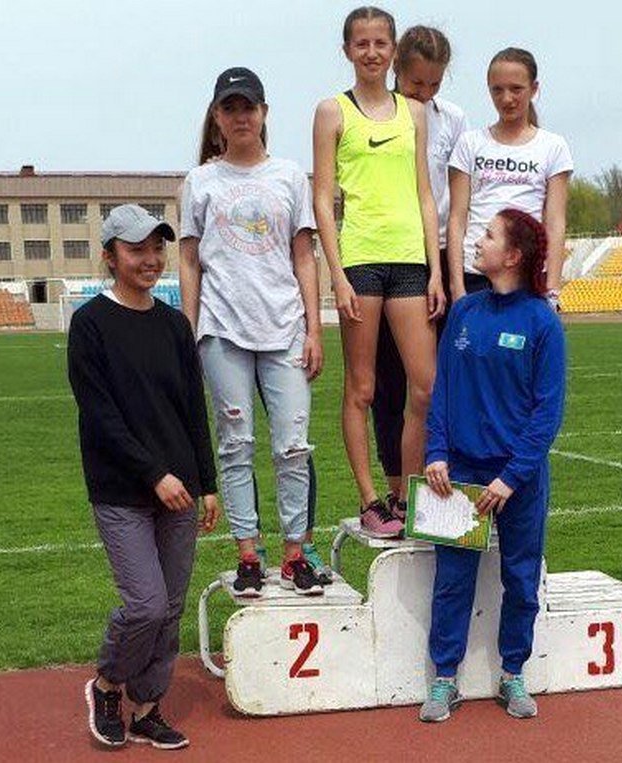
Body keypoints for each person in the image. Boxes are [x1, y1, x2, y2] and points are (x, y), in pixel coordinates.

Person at [68, 204, 220, 749]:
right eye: (136, 250)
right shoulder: (90, 324)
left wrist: (206, 483)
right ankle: (108, 684)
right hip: (122, 490)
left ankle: (149, 707)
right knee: (146, 605)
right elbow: (100, 414)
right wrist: (155, 474)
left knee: (171, 608)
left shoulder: (174, 325)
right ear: (110, 257)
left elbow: (193, 409)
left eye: (157, 248)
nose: (151, 259)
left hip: (180, 490)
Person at [180, 67, 324, 598]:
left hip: (283, 327)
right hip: (223, 329)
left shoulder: (289, 177)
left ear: (264, 113)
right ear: (217, 117)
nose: (241, 117)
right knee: (236, 444)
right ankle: (248, 554)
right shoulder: (200, 182)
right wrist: (188, 330)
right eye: (230, 108)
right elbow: (189, 260)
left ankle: (294, 554)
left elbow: (304, 257)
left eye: (249, 107)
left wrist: (314, 328)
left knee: (292, 446)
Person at [420, 208, 566, 723]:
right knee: (452, 580)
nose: (476, 242)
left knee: (521, 580)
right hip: (460, 475)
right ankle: (444, 679)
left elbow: (547, 413)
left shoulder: (543, 322)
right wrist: (436, 452)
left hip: (517, 481)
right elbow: (442, 389)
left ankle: (513, 673)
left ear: (513, 255)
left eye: (488, 236)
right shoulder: (464, 312)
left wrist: (511, 477)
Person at [313, 6, 444, 538]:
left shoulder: (414, 112)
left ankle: (407, 495)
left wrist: (436, 271)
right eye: (362, 43)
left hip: (410, 260)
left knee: (425, 387)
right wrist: (338, 274)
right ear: (347, 50)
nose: (371, 52)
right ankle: (370, 499)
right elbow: (323, 199)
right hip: (361, 261)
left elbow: (425, 194)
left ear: (393, 51)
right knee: (362, 388)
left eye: (380, 43)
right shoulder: (332, 111)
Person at [370, 24, 469, 521]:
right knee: (389, 383)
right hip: (389, 255)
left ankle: (440, 480)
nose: (425, 93)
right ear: (396, 70)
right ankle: (397, 490)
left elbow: (455, 196)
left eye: (434, 84)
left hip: (440, 255)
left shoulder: (453, 120)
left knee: (437, 384)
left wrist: (449, 273)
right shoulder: (373, 115)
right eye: (416, 84)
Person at [447, 47, 572, 308]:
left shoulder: (553, 147)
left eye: (516, 89)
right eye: (497, 90)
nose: (506, 99)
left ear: (534, 89)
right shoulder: (470, 144)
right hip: (475, 275)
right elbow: (457, 218)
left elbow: (555, 222)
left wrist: (552, 290)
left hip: (527, 275)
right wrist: (457, 287)